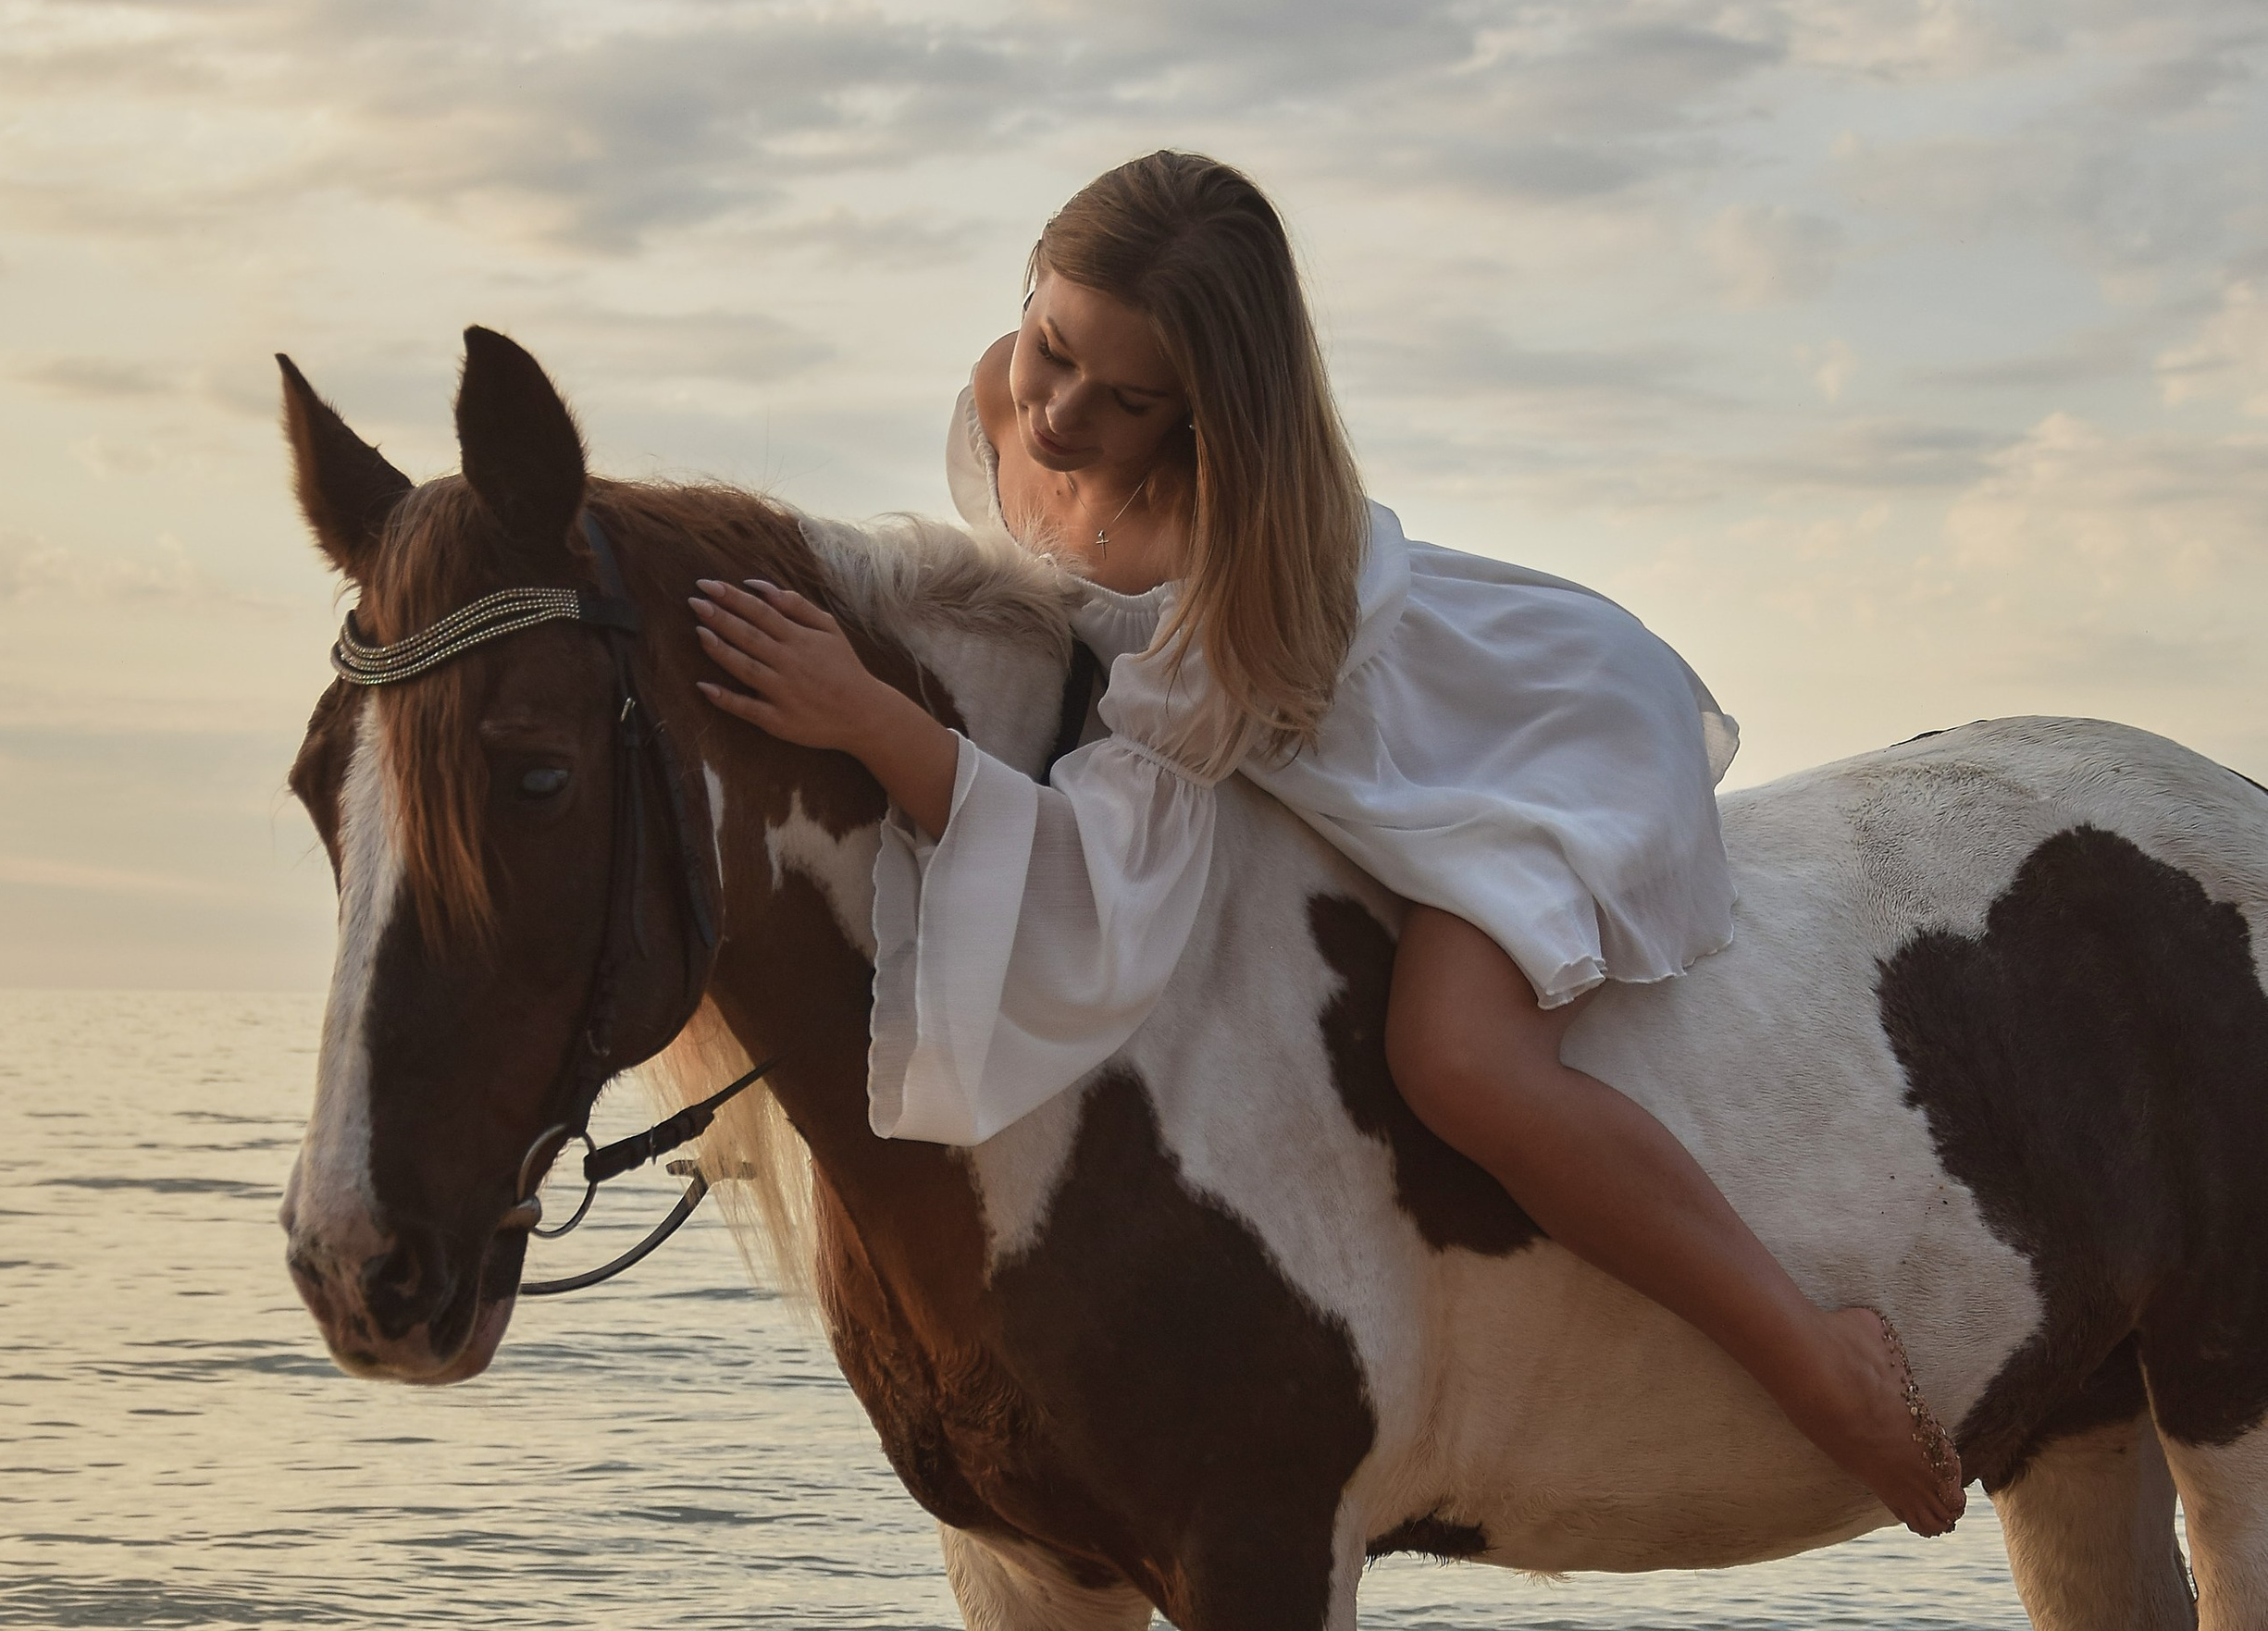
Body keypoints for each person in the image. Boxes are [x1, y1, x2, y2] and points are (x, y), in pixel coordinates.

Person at [690, 151, 1963, 1534]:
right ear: (1032, 298)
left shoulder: (1224, 556)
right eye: (1054, 347)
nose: (1056, 412)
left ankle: (1807, 1352)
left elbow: (1103, 866)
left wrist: (875, 722)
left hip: (1497, 746)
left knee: (1461, 1062)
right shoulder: (1009, 391)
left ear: (1207, 414)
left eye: (1127, 402)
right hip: (1274, 756)